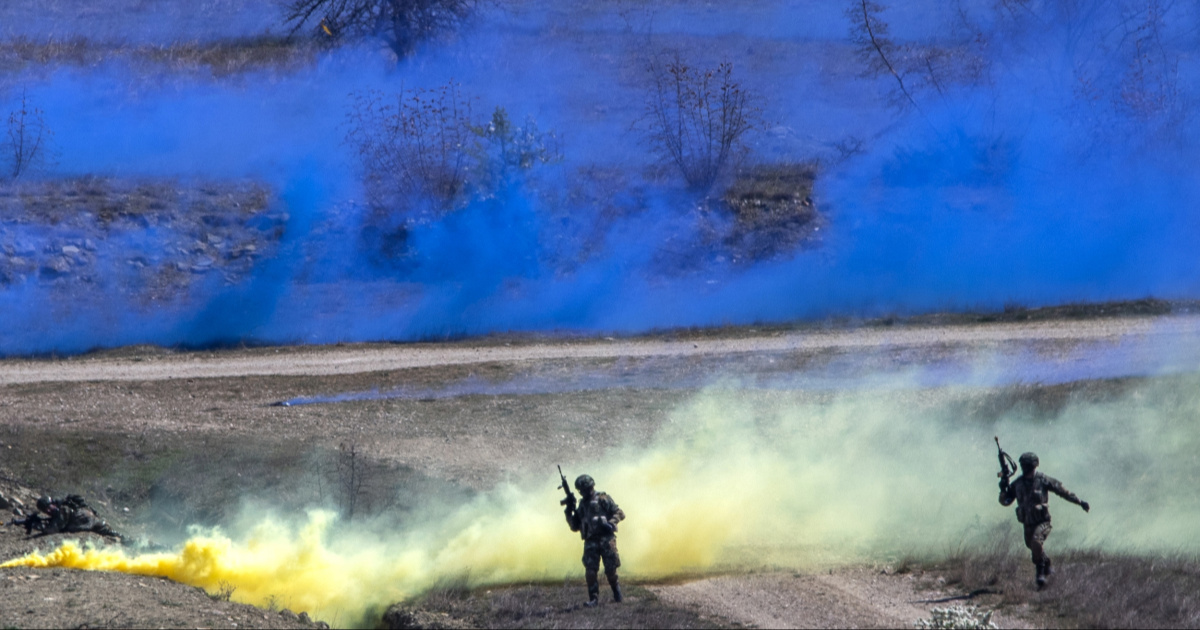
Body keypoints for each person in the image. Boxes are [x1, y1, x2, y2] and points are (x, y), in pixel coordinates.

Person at [999, 452, 1089, 588]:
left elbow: (1063, 491)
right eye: (1023, 465)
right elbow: (1006, 501)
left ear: (1034, 465)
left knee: (1036, 542)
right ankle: (1046, 562)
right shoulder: (1018, 484)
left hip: (1043, 522)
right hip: (1027, 523)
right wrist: (1002, 489)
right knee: (1033, 547)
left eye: (1027, 465)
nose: (1025, 468)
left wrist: (1080, 502)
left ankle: (1040, 574)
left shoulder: (1043, 480)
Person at [564, 474, 625, 606]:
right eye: (581, 490)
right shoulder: (582, 505)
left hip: (606, 539)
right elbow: (575, 526)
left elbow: (620, 512)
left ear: (591, 487)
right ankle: (593, 599)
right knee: (590, 571)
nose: (583, 492)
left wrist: (611, 523)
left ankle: (617, 593)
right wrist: (569, 511)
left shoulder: (603, 499)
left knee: (611, 570)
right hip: (590, 541)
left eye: (586, 489)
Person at [35, 495, 124, 541]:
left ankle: (127, 541)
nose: (48, 511)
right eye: (45, 510)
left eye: (48, 507)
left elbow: (54, 528)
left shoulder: (64, 509)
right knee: (113, 534)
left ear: (53, 504)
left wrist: (38, 526)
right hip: (93, 523)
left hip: (94, 524)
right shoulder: (64, 508)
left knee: (114, 535)